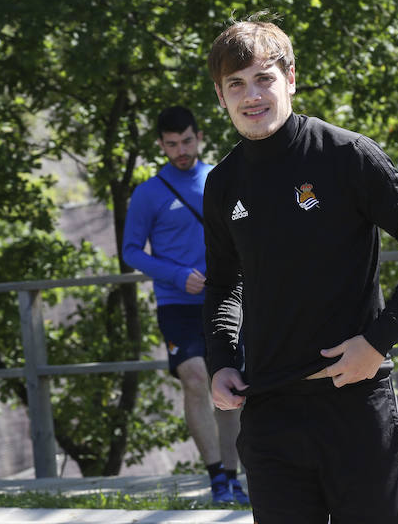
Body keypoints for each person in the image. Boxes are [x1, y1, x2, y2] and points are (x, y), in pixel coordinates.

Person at [203, 16, 398, 524]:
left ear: (291, 79)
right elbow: (223, 282)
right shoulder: (222, 183)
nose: (251, 95)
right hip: (269, 411)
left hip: (354, 403)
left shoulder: (347, 156)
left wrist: (379, 340)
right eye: (236, 84)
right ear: (220, 96)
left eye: (264, 78)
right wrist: (220, 360)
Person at [122, 106, 248, 505]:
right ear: (160, 145)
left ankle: (233, 476)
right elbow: (131, 252)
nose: (181, 150)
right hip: (176, 303)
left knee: (229, 383)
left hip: (225, 299)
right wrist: (178, 275)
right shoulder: (148, 193)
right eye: (172, 144)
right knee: (195, 377)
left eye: (187, 141)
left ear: (200, 137)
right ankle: (215, 478)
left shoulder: (220, 178)